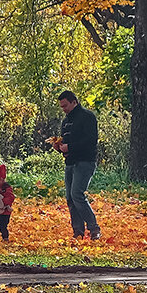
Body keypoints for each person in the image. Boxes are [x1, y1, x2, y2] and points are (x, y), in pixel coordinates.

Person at [54, 90, 100, 240]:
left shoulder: (87, 117)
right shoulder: (66, 122)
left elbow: (90, 141)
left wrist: (70, 147)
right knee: (70, 197)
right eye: (61, 107)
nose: (64, 109)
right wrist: (60, 148)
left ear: (74, 102)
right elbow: (66, 144)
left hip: (85, 161)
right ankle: (78, 231)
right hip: (70, 162)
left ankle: (94, 228)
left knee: (77, 194)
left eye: (65, 105)